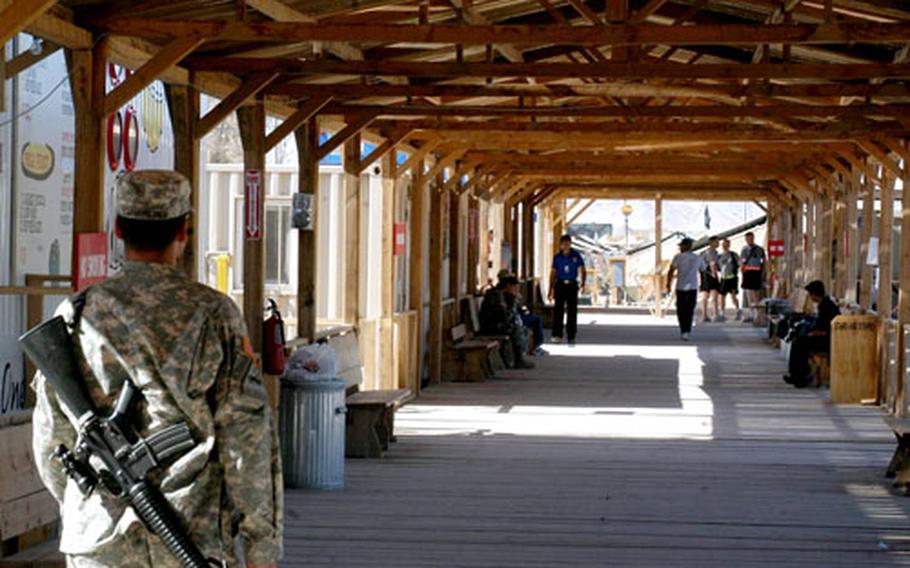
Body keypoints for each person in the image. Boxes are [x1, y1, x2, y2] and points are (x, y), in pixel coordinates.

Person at [32, 171, 283, 568]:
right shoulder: (214, 313)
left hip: (100, 546)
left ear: (117, 229)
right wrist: (260, 546)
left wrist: (92, 504)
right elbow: (246, 437)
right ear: (184, 230)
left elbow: (51, 440)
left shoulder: (77, 315)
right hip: (190, 537)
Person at [784, 280, 841, 388]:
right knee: (799, 341)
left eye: (810, 294)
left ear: (814, 294)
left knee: (800, 344)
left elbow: (824, 330)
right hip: (827, 338)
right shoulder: (825, 304)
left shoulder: (826, 307)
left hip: (828, 340)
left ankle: (799, 377)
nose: (810, 297)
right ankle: (797, 375)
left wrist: (811, 334)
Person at [480, 273, 534, 369]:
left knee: (518, 325)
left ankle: (518, 357)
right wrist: (513, 301)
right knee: (515, 328)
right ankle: (518, 359)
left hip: (496, 324)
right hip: (491, 326)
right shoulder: (496, 296)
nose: (516, 290)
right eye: (515, 287)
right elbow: (504, 317)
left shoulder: (500, 294)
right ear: (508, 286)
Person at [548, 234, 586, 345]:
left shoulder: (576, 255)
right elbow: (553, 273)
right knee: (558, 311)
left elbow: (583, 269)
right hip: (560, 284)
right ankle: (557, 334)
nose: (566, 246)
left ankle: (571, 335)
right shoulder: (557, 257)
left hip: (572, 284)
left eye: (568, 244)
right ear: (561, 245)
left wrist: (583, 283)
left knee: (572, 311)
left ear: (570, 244)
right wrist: (551, 288)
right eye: (564, 244)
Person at [666, 237, 705, 341]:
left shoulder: (678, 257)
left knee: (681, 309)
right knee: (689, 309)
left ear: (685, 246)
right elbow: (703, 271)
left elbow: (671, 271)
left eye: (681, 246)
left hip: (681, 287)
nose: (680, 248)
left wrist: (668, 284)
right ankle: (687, 330)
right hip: (693, 287)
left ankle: (684, 330)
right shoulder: (698, 258)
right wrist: (703, 284)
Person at [740, 231, 766, 322]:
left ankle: (757, 314)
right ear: (746, 239)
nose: (749, 240)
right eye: (747, 239)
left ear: (753, 238)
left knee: (757, 294)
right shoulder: (744, 250)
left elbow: (764, 262)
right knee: (749, 294)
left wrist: (763, 273)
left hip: (757, 273)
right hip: (748, 273)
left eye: (751, 238)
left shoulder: (760, 249)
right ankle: (752, 313)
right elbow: (742, 262)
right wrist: (742, 271)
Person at [717, 238, 742, 321]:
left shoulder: (733, 254)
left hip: (732, 278)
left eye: (727, 245)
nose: (725, 246)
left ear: (729, 245)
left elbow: (739, 263)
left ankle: (738, 311)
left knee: (733, 296)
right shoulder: (719, 256)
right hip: (723, 278)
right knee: (722, 296)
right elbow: (717, 267)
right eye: (724, 245)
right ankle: (722, 313)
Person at [700, 236, 721, 322]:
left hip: (704, 274)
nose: (718, 243)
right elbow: (712, 263)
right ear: (711, 243)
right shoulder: (712, 252)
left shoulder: (704, 252)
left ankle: (704, 315)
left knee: (705, 295)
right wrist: (714, 274)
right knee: (714, 295)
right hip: (710, 274)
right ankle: (715, 314)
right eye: (716, 242)